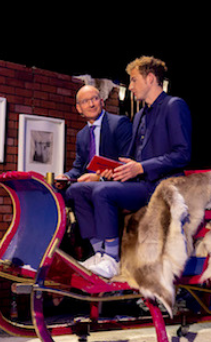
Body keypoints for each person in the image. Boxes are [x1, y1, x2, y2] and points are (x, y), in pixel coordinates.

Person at [66, 56, 192, 278]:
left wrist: (141, 168)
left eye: (134, 80)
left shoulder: (174, 106)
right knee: (78, 190)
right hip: (139, 184)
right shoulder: (140, 115)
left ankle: (112, 259)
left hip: (159, 186)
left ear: (150, 79)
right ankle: (99, 253)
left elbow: (182, 154)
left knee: (103, 192)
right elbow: (132, 158)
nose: (130, 86)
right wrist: (110, 172)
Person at [57, 85, 132, 184]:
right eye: (85, 101)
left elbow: (127, 162)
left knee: (80, 190)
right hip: (90, 185)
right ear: (79, 108)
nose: (91, 104)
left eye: (95, 99)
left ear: (102, 102)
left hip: (114, 183)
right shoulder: (81, 135)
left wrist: (100, 178)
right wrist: (66, 177)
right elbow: (78, 169)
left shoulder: (119, 124)